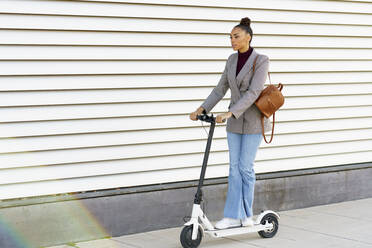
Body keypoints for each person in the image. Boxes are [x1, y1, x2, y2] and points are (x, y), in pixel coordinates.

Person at [189, 17, 272, 229]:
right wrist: (202, 108)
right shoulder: (231, 60)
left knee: (245, 168)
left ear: (248, 37)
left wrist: (229, 113)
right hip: (234, 123)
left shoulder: (261, 60)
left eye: (236, 36)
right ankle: (233, 215)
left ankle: (246, 214)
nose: (232, 40)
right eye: (230, 37)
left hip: (253, 121)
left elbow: (254, 92)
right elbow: (220, 89)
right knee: (234, 169)